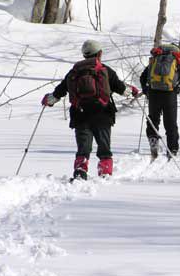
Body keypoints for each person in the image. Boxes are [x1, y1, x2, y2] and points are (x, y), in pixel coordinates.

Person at [42, 39, 139, 180]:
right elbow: (122, 89)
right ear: (100, 53)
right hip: (103, 114)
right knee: (104, 147)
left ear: (84, 55)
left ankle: (80, 170)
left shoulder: (74, 72)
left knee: (83, 147)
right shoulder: (105, 70)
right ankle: (105, 172)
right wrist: (133, 91)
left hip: (80, 115)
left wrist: (48, 100)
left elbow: (58, 93)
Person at [140, 43, 180, 160]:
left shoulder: (155, 60)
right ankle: (172, 149)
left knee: (153, 120)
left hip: (154, 94)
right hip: (170, 95)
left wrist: (145, 89)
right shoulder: (177, 61)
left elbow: (142, 77)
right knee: (170, 123)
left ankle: (153, 141)